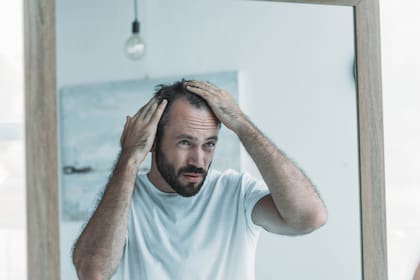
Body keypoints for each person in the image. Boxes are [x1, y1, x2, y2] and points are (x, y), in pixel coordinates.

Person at [72, 80, 328, 280]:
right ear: (152, 142)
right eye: (185, 142)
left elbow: (309, 218)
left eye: (209, 144)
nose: (198, 159)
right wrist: (128, 158)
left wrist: (242, 125)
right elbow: (91, 270)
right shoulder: (125, 197)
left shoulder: (236, 192)